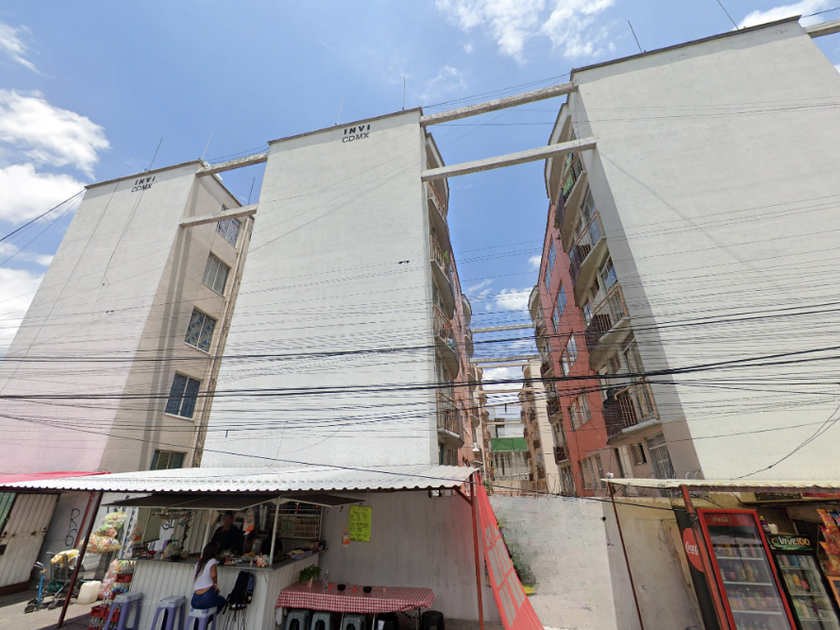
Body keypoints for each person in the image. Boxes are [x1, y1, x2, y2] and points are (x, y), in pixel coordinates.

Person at [192, 542, 226, 611]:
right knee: (222, 601)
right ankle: (209, 618)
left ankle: (205, 618)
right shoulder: (212, 561)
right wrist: (215, 583)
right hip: (206, 598)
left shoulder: (198, 564)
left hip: (194, 600)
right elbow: (213, 575)